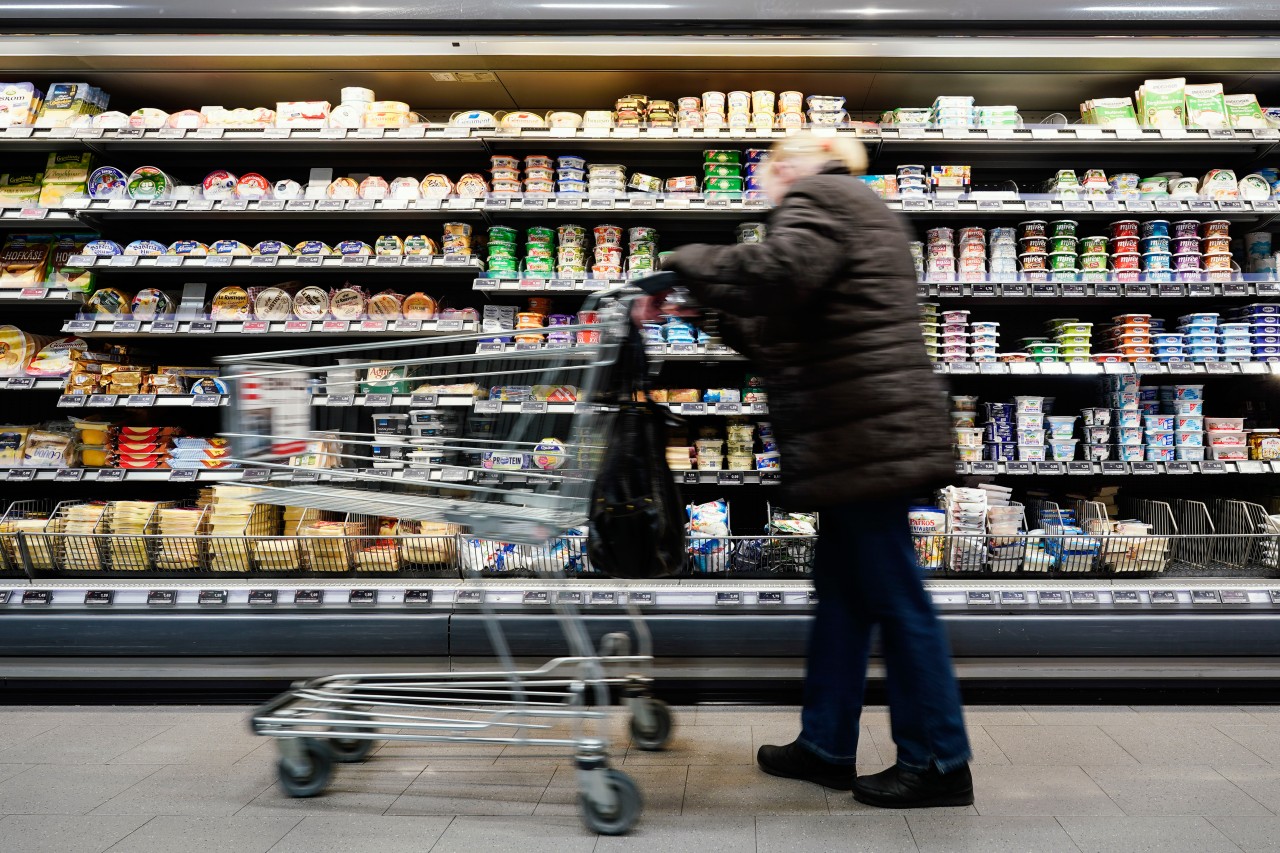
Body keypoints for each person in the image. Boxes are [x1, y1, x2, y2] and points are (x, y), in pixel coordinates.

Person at [634, 132, 973, 808]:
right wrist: (701, 305)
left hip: (866, 436)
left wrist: (682, 262)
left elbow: (781, 271)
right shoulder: (854, 206)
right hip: (862, 434)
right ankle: (824, 744)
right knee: (845, 595)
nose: (764, 183)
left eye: (767, 170)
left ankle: (940, 759)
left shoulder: (821, 194)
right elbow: (781, 325)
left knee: (898, 599)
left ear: (789, 164)